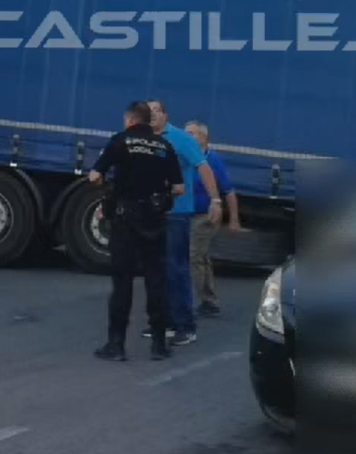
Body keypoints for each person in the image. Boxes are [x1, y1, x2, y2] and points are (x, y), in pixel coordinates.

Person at [87, 101, 185, 362]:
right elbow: (179, 188)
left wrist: (108, 187)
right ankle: (159, 345)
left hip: (125, 220)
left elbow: (94, 176)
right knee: (156, 280)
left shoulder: (121, 141)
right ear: (148, 120)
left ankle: (116, 345)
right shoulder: (164, 146)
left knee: (122, 282)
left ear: (130, 120)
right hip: (154, 220)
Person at [143, 99, 221, 346]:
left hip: (176, 214)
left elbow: (203, 166)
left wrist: (215, 200)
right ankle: (164, 322)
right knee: (157, 270)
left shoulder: (182, 139)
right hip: (152, 213)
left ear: (165, 115)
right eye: (148, 112)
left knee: (177, 269)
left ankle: (185, 326)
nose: (152, 115)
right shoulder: (143, 139)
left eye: (157, 111)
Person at [184, 121, 241, 318]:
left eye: (192, 133)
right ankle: (209, 300)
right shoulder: (184, 157)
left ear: (204, 137)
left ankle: (202, 301)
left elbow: (229, 191)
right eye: (186, 133)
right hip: (185, 214)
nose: (187, 136)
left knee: (193, 256)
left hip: (205, 216)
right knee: (201, 257)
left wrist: (234, 219)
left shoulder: (212, 159)